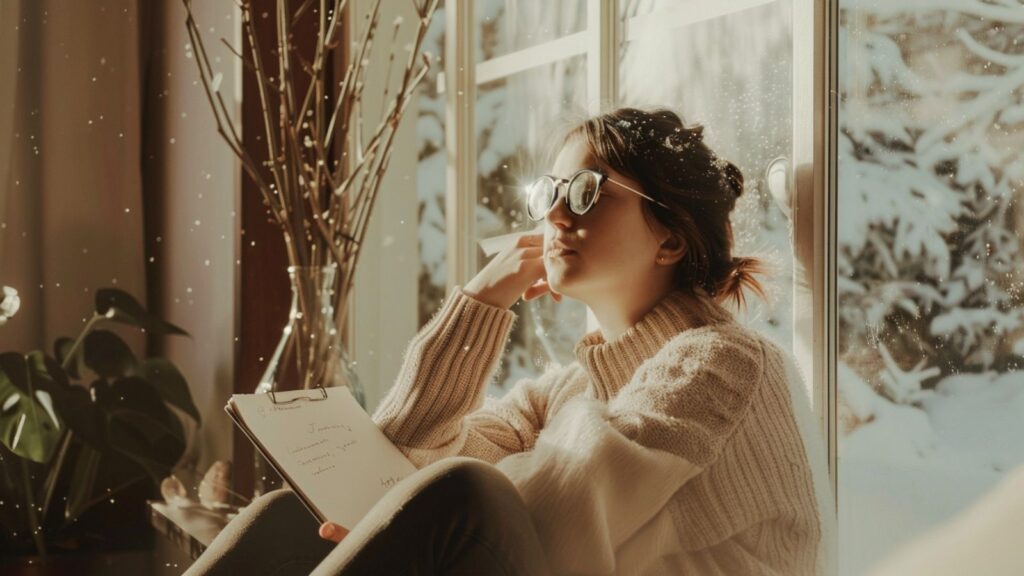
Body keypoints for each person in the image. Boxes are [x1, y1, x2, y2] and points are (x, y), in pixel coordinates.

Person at [186, 107, 835, 575]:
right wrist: (479, 304)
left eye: (585, 192)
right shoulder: (575, 388)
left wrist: (391, 521)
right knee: (284, 518)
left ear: (671, 238)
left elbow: (550, 528)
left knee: (468, 490)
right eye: (548, 191)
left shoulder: (724, 364)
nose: (555, 213)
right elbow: (404, 458)